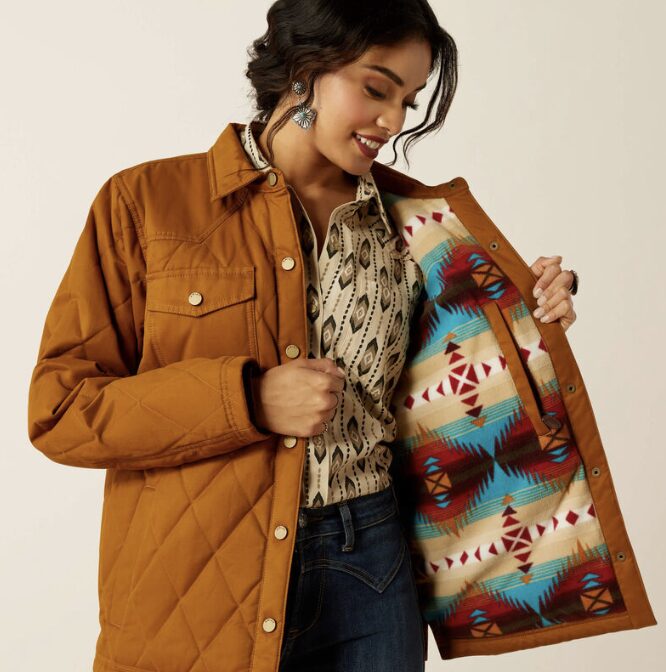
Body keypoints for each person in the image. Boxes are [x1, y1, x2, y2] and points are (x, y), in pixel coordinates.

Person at [27, 2, 597, 672]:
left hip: (373, 569)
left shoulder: (415, 225)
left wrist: (530, 310)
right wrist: (247, 400)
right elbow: (61, 411)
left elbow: (462, 393)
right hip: (197, 577)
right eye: (376, 89)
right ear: (303, 69)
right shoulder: (146, 204)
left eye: (409, 101)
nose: (393, 122)